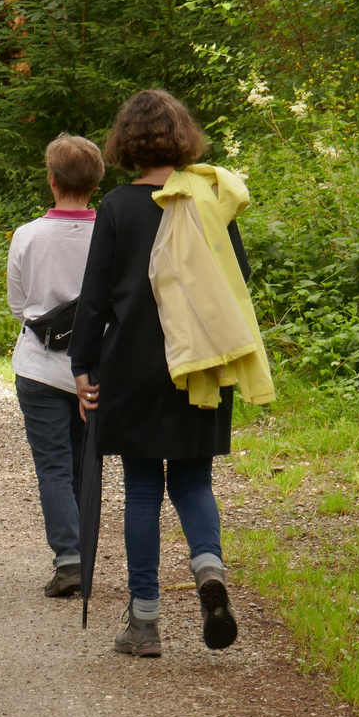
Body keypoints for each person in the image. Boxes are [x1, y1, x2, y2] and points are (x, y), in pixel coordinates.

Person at [69, 88, 274, 658]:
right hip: (200, 365)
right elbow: (239, 279)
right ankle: (209, 572)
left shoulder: (116, 207)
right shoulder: (207, 200)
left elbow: (94, 298)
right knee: (193, 480)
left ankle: (146, 621)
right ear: (183, 137)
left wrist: (83, 364)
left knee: (141, 489)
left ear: (126, 142)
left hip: (133, 367)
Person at [7, 134, 104, 598]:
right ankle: (83, 557)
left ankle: (69, 559)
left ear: (51, 180)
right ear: (97, 181)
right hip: (98, 371)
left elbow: (18, 304)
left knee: (53, 466)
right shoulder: (112, 232)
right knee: (88, 464)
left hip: (40, 367)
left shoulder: (27, 236)